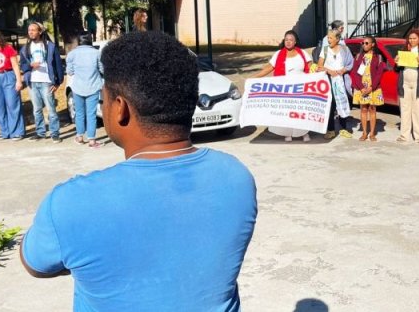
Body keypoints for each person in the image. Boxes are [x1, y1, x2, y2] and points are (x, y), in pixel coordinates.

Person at [21, 31, 257, 311]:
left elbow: (36, 264)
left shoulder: (70, 203)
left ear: (119, 108)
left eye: (104, 96)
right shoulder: (236, 177)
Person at [254, 30, 314, 142]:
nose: (288, 42)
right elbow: (269, 68)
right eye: (286, 40)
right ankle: (288, 133)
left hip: (301, 88)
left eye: (291, 40)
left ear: (295, 42)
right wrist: (255, 78)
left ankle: (304, 133)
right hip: (285, 89)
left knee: (301, 112)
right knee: (287, 113)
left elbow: (311, 68)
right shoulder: (278, 54)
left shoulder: (302, 53)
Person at [19, 22, 64, 142]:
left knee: (51, 109)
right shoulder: (25, 48)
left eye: (33, 30)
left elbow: (58, 64)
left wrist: (58, 82)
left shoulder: (50, 46)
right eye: (29, 30)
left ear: (40, 32)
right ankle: (40, 132)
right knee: (37, 109)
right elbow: (22, 65)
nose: (31, 32)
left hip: (47, 81)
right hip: (33, 82)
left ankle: (55, 133)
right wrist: (30, 65)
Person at [394, 28, 419, 144]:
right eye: (410, 38)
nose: (411, 41)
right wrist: (396, 63)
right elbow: (397, 69)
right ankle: (404, 135)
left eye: (414, 38)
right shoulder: (404, 50)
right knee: (405, 110)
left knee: (418, 111)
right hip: (405, 84)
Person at [67, 33, 104, 148]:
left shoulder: (72, 54)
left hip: (77, 88)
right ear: (90, 41)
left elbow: (70, 71)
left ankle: (79, 137)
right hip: (93, 87)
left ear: (79, 41)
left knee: (79, 113)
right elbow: (102, 69)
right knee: (91, 114)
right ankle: (92, 141)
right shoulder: (96, 53)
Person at [318, 29, 355, 139]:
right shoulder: (325, 50)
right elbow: (319, 66)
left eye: (331, 38)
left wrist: (343, 70)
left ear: (337, 39)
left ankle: (344, 129)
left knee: (342, 102)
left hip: (341, 80)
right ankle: (331, 130)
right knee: (331, 104)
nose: (328, 40)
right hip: (329, 80)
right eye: (328, 38)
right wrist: (329, 71)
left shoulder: (344, 49)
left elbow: (350, 63)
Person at [349, 35, 384, 141]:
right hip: (361, 87)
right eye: (363, 43)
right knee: (363, 109)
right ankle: (364, 133)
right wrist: (361, 87)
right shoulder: (358, 56)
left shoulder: (378, 57)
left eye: (366, 43)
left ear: (373, 44)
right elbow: (354, 73)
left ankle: (372, 133)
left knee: (372, 109)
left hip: (373, 87)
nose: (364, 45)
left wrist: (371, 87)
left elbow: (379, 73)